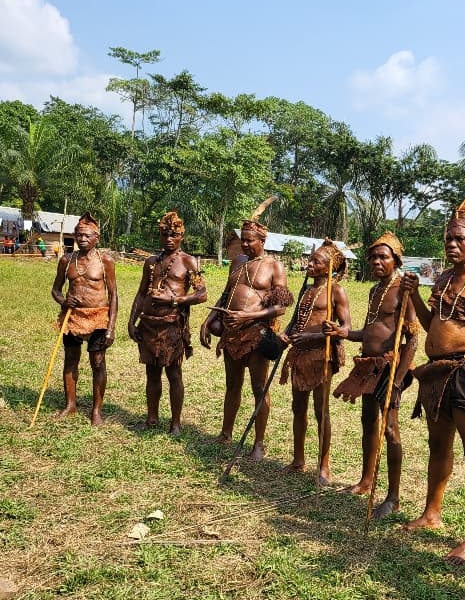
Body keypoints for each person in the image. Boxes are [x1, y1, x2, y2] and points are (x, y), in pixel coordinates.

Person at [400, 191, 465, 564]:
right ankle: (432, 512)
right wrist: (413, 297)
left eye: (460, 238)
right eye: (448, 237)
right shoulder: (443, 277)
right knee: (438, 445)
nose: (452, 244)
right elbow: (432, 326)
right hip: (436, 373)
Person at [324, 232, 419, 517]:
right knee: (368, 422)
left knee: (390, 430)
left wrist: (398, 379)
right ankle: (367, 480)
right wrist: (343, 333)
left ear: (396, 260)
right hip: (368, 365)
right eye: (374, 257)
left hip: (390, 368)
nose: (377, 261)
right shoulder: (375, 290)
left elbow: (413, 338)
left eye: (384, 257)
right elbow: (369, 331)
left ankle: (393, 497)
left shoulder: (404, 288)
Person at [198, 197, 292, 462]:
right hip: (231, 333)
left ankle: (259, 444)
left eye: (251, 240)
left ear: (262, 240)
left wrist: (250, 315)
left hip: (257, 333)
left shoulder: (275, 266)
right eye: (244, 239)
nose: (246, 244)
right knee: (232, 385)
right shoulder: (238, 262)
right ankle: (226, 433)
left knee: (259, 388)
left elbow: (281, 307)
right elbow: (227, 294)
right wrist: (209, 320)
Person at [128, 210, 207, 434]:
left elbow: (202, 294)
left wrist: (175, 300)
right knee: (152, 373)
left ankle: (175, 423)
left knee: (174, 374)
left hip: (173, 325)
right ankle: (152, 418)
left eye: (173, 235)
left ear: (181, 236)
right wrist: (131, 322)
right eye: (164, 235)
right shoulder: (151, 262)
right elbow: (141, 293)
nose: (168, 239)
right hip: (149, 324)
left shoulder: (188, 262)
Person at [280, 240, 351, 485]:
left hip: (322, 355)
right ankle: (298, 459)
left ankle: (324, 465)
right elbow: (296, 320)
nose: (309, 265)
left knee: (321, 411)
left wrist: (315, 335)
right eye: (310, 260)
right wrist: (287, 334)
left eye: (315, 262)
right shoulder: (307, 289)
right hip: (299, 354)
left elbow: (346, 327)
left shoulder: (336, 291)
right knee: (298, 407)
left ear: (329, 267)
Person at [50, 212, 118, 426]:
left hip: (98, 317)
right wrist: (63, 301)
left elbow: (114, 295)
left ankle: (96, 410)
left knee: (97, 362)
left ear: (97, 238)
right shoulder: (66, 260)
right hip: (73, 318)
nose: (82, 239)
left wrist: (110, 328)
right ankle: (70, 405)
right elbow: (56, 290)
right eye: (79, 235)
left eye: (87, 236)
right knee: (71, 360)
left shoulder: (105, 260)